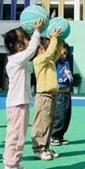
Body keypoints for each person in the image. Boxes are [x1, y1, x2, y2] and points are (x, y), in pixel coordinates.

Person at [1, 19, 44, 169]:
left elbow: (32, 51)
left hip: (21, 103)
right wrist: (37, 31)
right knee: (15, 136)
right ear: (19, 47)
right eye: (26, 38)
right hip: (16, 104)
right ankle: (9, 168)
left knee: (20, 136)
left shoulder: (19, 59)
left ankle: (15, 164)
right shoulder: (16, 60)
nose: (29, 39)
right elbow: (31, 49)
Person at [31, 30, 62, 160]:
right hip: (43, 96)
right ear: (39, 50)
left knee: (48, 123)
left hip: (51, 96)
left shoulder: (49, 61)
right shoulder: (38, 60)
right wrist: (54, 39)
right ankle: (38, 149)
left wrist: (60, 41)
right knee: (41, 123)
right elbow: (50, 53)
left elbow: (56, 53)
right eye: (46, 47)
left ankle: (45, 147)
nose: (48, 50)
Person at [50, 45, 73, 146]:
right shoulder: (55, 62)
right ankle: (54, 136)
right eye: (62, 53)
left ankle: (60, 136)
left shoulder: (67, 61)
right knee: (59, 115)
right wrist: (57, 43)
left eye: (65, 53)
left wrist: (64, 45)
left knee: (66, 116)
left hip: (67, 92)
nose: (64, 55)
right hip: (59, 93)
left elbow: (69, 52)